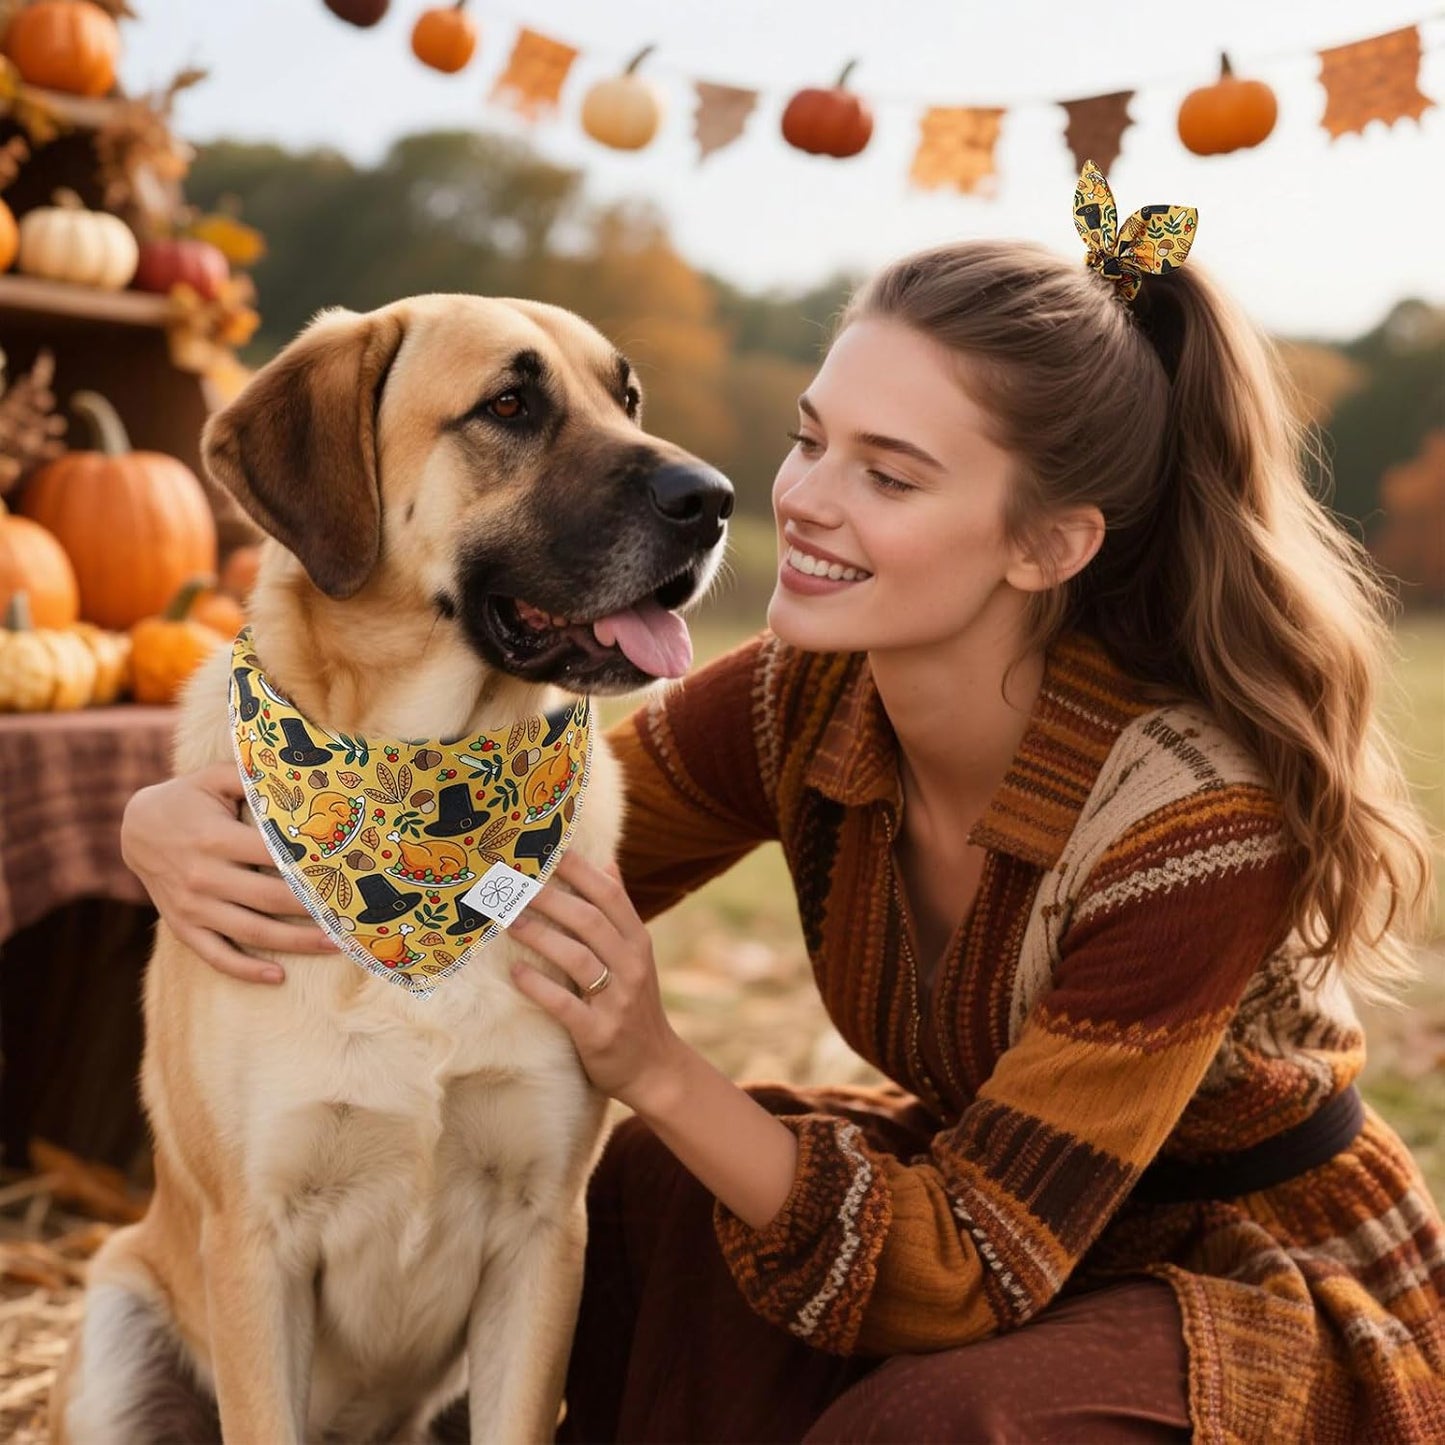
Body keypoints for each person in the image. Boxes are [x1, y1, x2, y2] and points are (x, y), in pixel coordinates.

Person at [120, 164, 1444, 1443]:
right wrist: (186, 825)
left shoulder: (1190, 829)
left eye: (889, 473)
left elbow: (967, 1268)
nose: (796, 497)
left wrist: (654, 1061)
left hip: (1239, 1275)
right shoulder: (801, 699)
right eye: (812, 439)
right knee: (644, 1189)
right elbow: (504, 863)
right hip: (989, 1215)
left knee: (932, 1423)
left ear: (1047, 544)